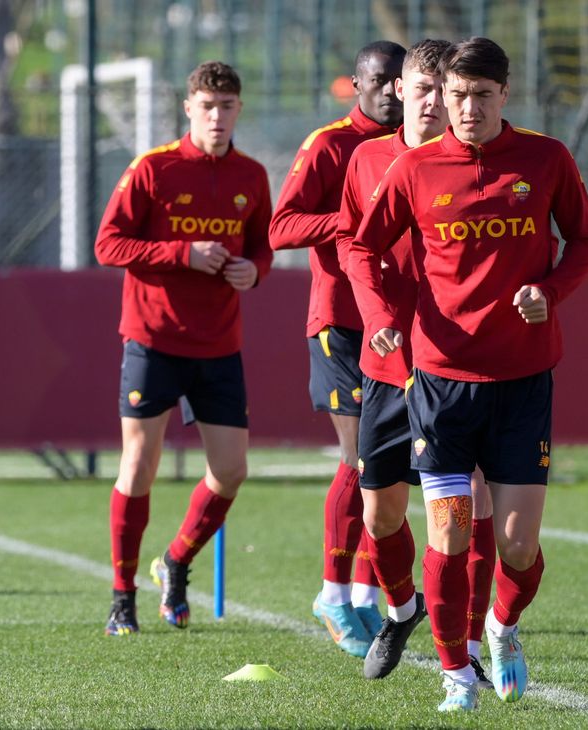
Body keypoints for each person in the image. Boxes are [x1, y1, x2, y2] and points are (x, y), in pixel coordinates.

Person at [349, 37, 588, 712]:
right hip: (440, 384)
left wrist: (552, 290)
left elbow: (585, 241)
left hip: (523, 383)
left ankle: (505, 626)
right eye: (456, 95)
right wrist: (378, 312)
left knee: (518, 547)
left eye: (479, 97)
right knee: (451, 533)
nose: (464, 108)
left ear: (504, 96)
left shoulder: (545, 158)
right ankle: (456, 675)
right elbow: (361, 244)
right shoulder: (414, 168)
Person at [336, 38, 496, 688]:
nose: (435, 102)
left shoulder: (473, 164)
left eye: (445, 90)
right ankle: (402, 609)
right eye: (423, 89)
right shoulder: (368, 160)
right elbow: (354, 246)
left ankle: (469, 644)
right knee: (379, 516)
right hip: (385, 372)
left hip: (454, 373)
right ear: (400, 91)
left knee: (466, 508)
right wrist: (377, 319)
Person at [95, 61, 273, 636]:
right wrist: (182, 253)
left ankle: (175, 562)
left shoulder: (251, 175)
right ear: (188, 109)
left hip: (219, 344)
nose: (217, 116)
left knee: (230, 471)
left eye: (227, 106)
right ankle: (123, 597)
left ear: (238, 110)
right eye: (207, 105)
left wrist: (254, 270)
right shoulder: (153, 168)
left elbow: (263, 248)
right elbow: (108, 244)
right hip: (153, 339)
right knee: (139, 466)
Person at [269, 40, 406, 658]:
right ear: (356, 84)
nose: (388, 92)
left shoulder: (420, 147)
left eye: (398, 82)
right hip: (341, 323)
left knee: (393, 469)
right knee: (358, 459)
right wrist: (347, 220)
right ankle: (332, 591)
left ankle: (362, 592)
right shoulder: (329, 145)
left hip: (399, 326)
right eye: (377, 81)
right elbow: (281, 228)